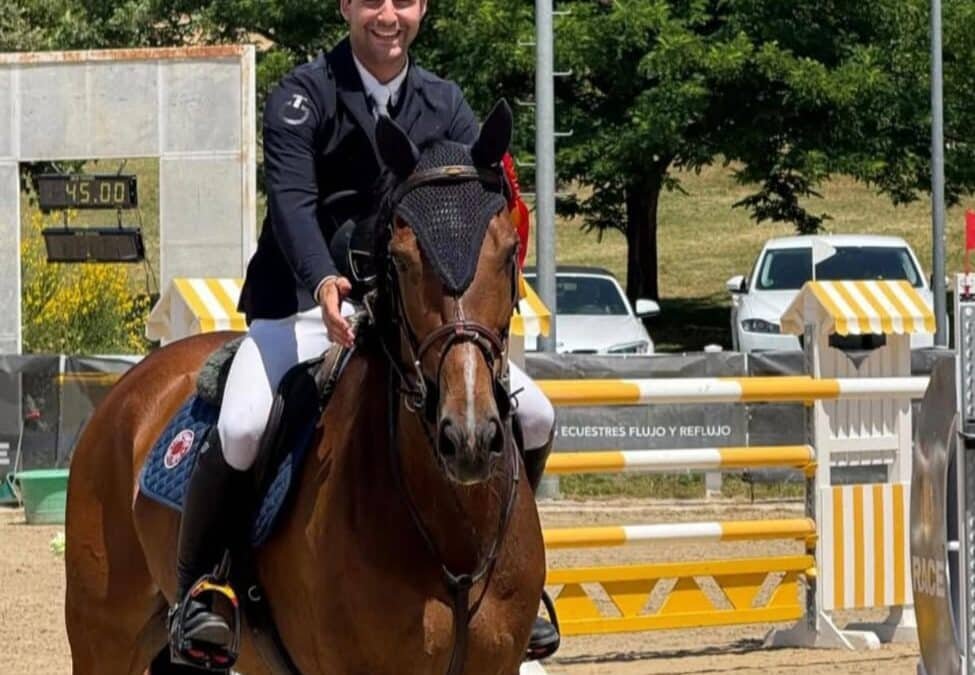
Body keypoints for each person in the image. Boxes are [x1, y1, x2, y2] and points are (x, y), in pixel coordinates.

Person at [168, 0, 559, 665]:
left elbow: (474, 211)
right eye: (371, 0)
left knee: (539, 414)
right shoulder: (302, 97)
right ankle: (208, 591)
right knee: (241, 424)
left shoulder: (446, 103)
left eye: (403, 1)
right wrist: (322, 279)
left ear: (422, 9)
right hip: (301, 303)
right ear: (347, 6)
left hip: (410, 316)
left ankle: (506, 569)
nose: (388, 15)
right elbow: (292, 203)